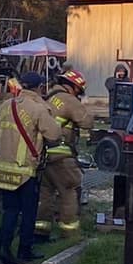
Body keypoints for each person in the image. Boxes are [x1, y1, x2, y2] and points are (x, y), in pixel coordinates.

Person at [0, 71, 61, 264]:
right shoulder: (38, 108)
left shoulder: (6, 105)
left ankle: (3, 247)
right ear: (39, 88)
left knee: (10, 210)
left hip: (4, 167)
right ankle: (24, 250)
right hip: (25, 170)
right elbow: (54, 134)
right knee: (29, 211)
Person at [36, 69, 95, 241]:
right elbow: (87, 123)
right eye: (78, 91)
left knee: (45, 195)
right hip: (62, 157)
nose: (78, 95)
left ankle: (40, 232)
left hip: (43, 156)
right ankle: (69, 234)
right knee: (69, 192)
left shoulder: (46, 98)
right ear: (73, 87)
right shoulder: (69, 100)